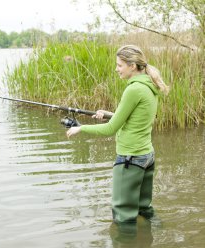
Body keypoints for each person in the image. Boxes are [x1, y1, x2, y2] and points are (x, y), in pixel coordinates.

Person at [66, 45, 169, 224]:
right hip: (147, 156)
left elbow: (110, 129)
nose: (116, 69)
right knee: (144, 208)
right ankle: (158, 239)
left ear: (132, 66)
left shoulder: (133, 89)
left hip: (131, 158)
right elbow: (135, 117)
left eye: (119, 65)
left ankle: (127, 246)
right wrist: (109, 114)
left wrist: (81, 128)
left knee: (123, 216)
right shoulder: (149, 85)